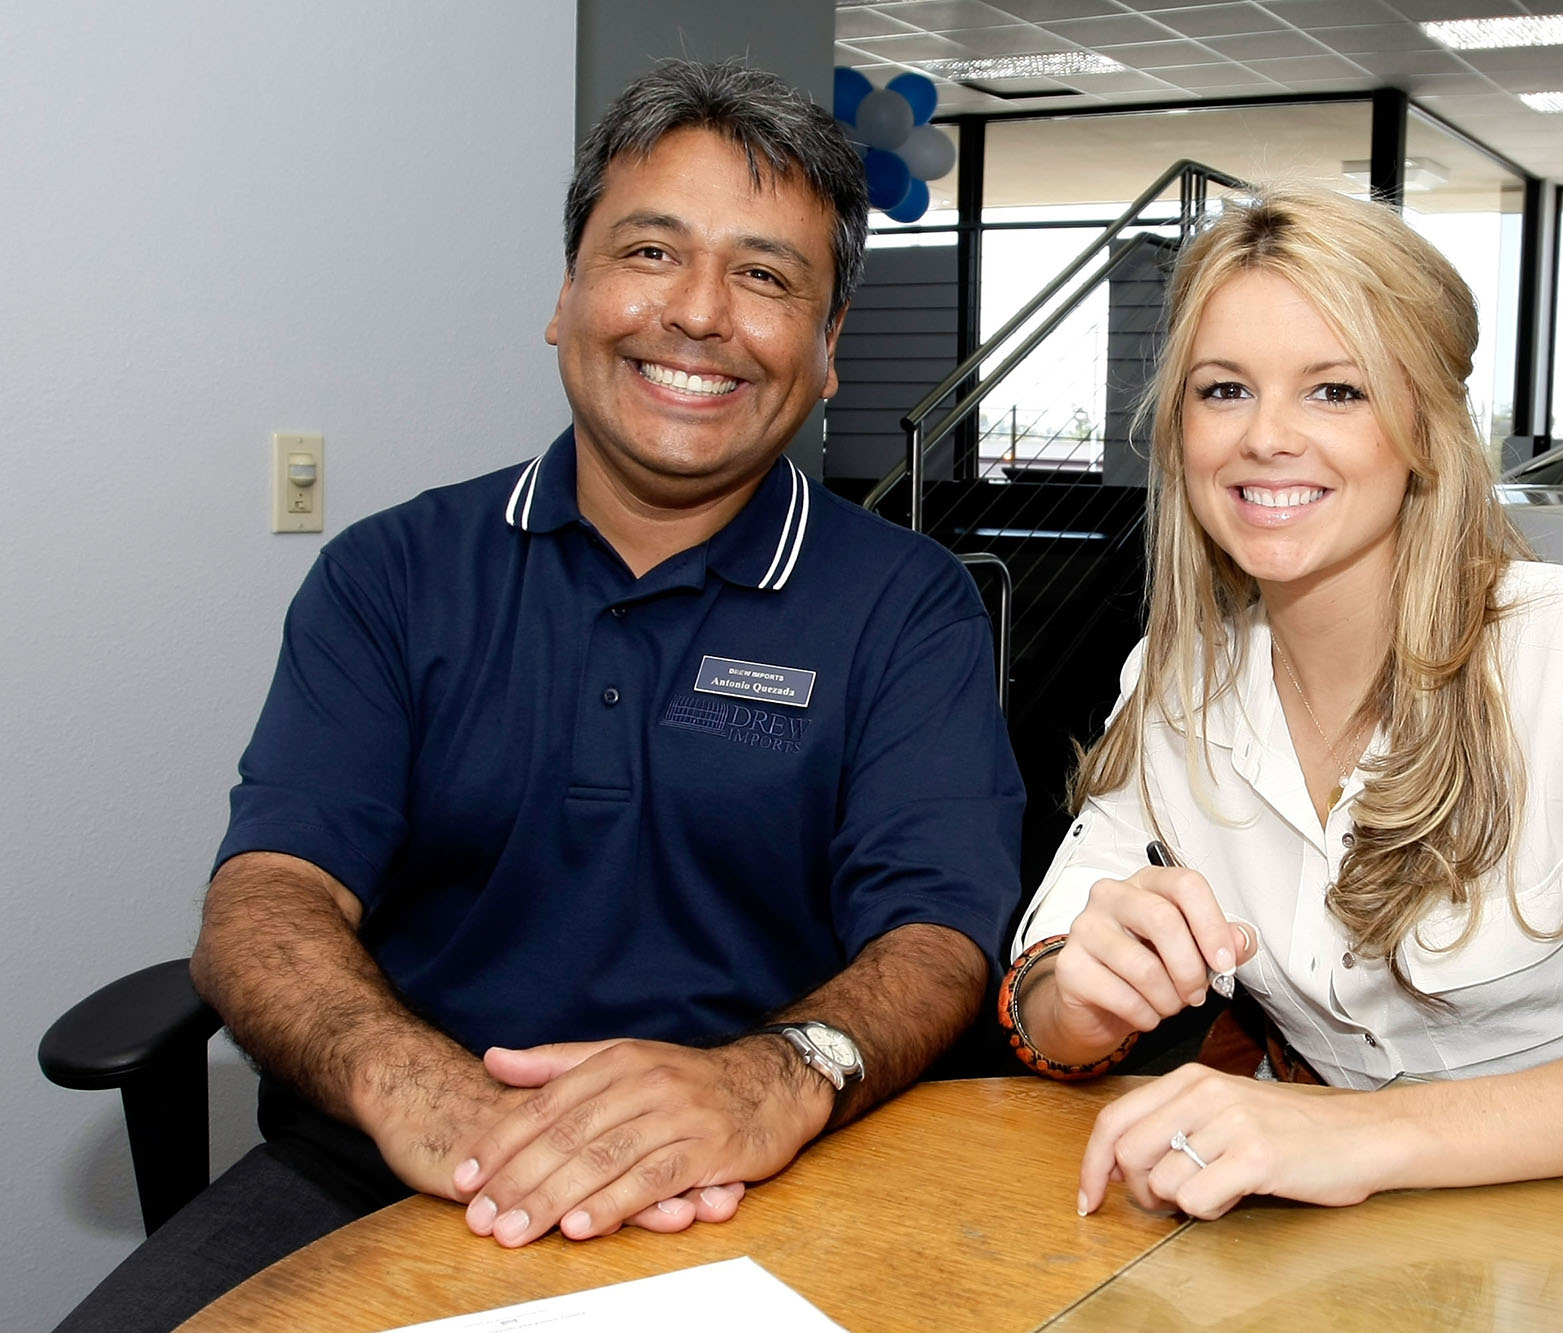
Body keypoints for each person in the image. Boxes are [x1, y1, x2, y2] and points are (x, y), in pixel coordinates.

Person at [59, 60, 1022, 1331]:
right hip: (385, 1170)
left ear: (828, 348)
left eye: (765, 276)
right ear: (566, 297)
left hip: (760, 1181)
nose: (699, 314)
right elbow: (269, 894)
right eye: (650, 252)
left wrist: (770, 1079)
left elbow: (938, 938)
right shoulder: (390, 575)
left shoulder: (908, 606)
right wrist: (422, 1091)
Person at [997, 181, 1563, 1224]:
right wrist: (1083, 998)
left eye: (1335, 390)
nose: (1265, 436)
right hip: (1401, 1244)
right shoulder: (1175, 681)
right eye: (1223, 389)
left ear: (1425, 422)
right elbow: (1043, 999)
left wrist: (1363, 1133)